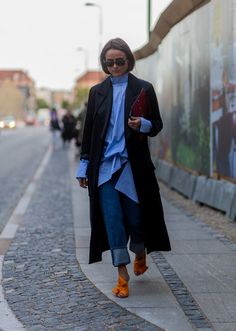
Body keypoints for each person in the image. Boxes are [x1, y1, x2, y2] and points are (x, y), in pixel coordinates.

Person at [76, 38, 171, 298]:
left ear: (128, 60)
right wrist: (84, 166)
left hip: (133, 166)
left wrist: (144, 124)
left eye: (120, 61)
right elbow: (89, 132)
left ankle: (139, 251)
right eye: (110, 62)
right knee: (112, 218)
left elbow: (158, 124)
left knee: (136, 218)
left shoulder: (144, 88)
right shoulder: (97, 92)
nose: (115, 66)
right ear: (105, 65)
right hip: (104, 166)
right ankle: (122, 274)